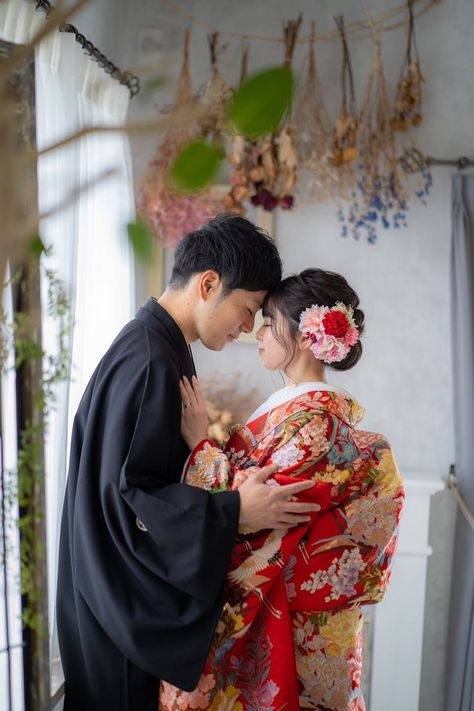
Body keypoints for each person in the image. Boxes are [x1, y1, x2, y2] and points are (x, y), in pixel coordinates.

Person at [56, 214, 320, 711]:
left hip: (106, 598)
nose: (248, 327)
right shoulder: (151, 359)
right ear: (208, 284)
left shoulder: (157, 347)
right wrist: (235, 511)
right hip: (117, 613)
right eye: (247, 309)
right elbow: (129, 496)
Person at [161, 268, 405, 711]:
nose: (257, 331)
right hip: (294, 618)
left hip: (297, 630)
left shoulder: (317, 423)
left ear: (308, 334)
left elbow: (258, 513)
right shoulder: (295, 410)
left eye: (270, 321)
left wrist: (200, 445)